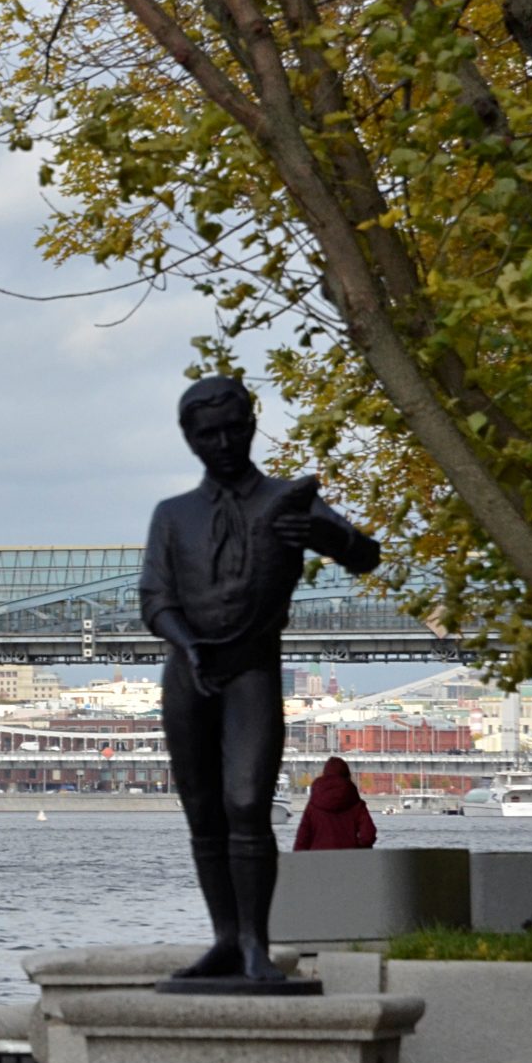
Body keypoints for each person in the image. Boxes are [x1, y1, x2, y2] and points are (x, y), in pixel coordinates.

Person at [141, 376, 380, 982]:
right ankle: (225, 939)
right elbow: (154, 598)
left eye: (233, 429)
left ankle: (255, 943)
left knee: (246, 802)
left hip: (251, 669)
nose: (222, 443)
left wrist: (332, 536)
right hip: (188, 674)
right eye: (207, 434)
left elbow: (365, 554)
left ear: (250, 425)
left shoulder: (288, 499)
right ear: (189, 439)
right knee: (202, 811)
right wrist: (188, 644)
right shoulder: (174, 516)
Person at [294, 756, 378, 852]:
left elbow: (301, 840)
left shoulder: (313, 806)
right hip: (350, 861)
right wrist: (358, 849)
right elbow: (368, 835)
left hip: (318, 861)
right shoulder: (357, 805)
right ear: (347, 775)